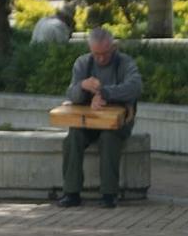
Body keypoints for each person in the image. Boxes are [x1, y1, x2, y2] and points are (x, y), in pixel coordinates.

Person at [58, 28, 142, 209]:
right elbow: (71, 94)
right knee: (73, 137)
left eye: (105, 53)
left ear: (112, 47)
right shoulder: (82, 63)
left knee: (109, 138)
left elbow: (135, 88)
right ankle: (71, 192)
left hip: (118, 121)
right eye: (97, 54)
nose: (101, 58)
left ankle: (109, 194)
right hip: (88, 121)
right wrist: (83, 86)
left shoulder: (125, 63)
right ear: (90, 49)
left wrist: (105, 93)